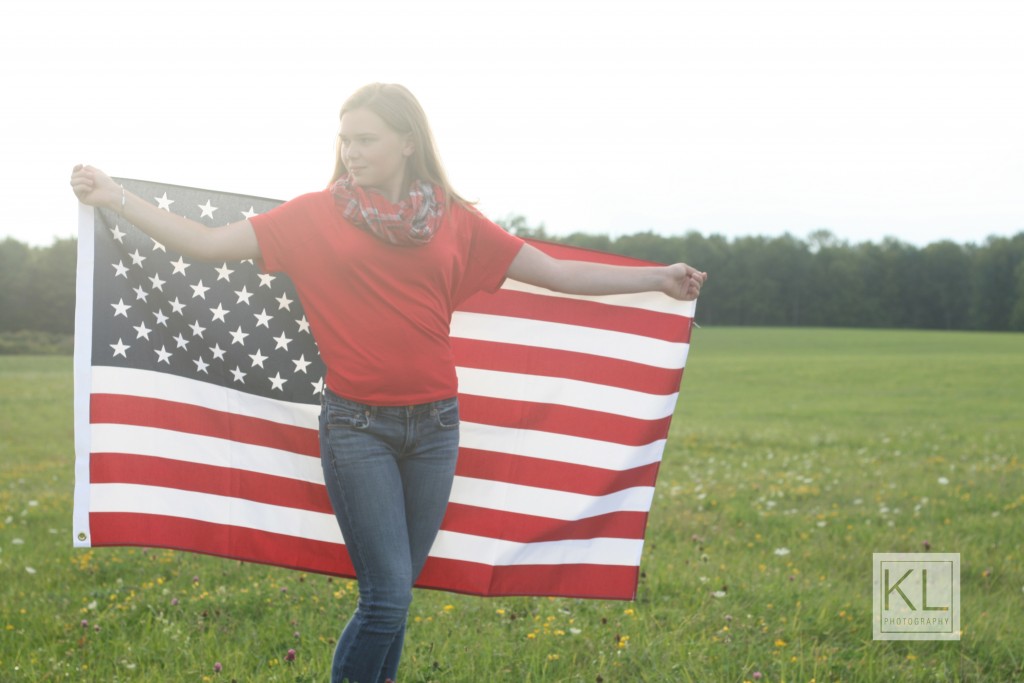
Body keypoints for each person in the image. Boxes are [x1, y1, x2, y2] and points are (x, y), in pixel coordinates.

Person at [70, 82, 707, 683]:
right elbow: (206, 244)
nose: (351, 152)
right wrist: (115, 197)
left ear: (408, 142)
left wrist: (656, 278)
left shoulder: (454, 220)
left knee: (396, 598)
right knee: (386, 596)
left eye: (366, 139)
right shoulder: (313, 216)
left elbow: (554, 273)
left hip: (435, 428)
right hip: (358, 428)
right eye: (346, 139)